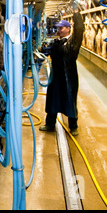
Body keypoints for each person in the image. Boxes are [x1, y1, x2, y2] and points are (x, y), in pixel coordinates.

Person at [40, 7, 84, 136]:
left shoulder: (73, 43)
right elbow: (47, 52)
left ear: (68, 29)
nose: (59, 30)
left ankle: (73, 126)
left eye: (61, 28)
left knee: (70, 100)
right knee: (53, 99)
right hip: (56, 76)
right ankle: (49, 124)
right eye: (58, 28)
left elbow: (80, 30)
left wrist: (76, 14)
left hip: (68, 76)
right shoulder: (56, 42)